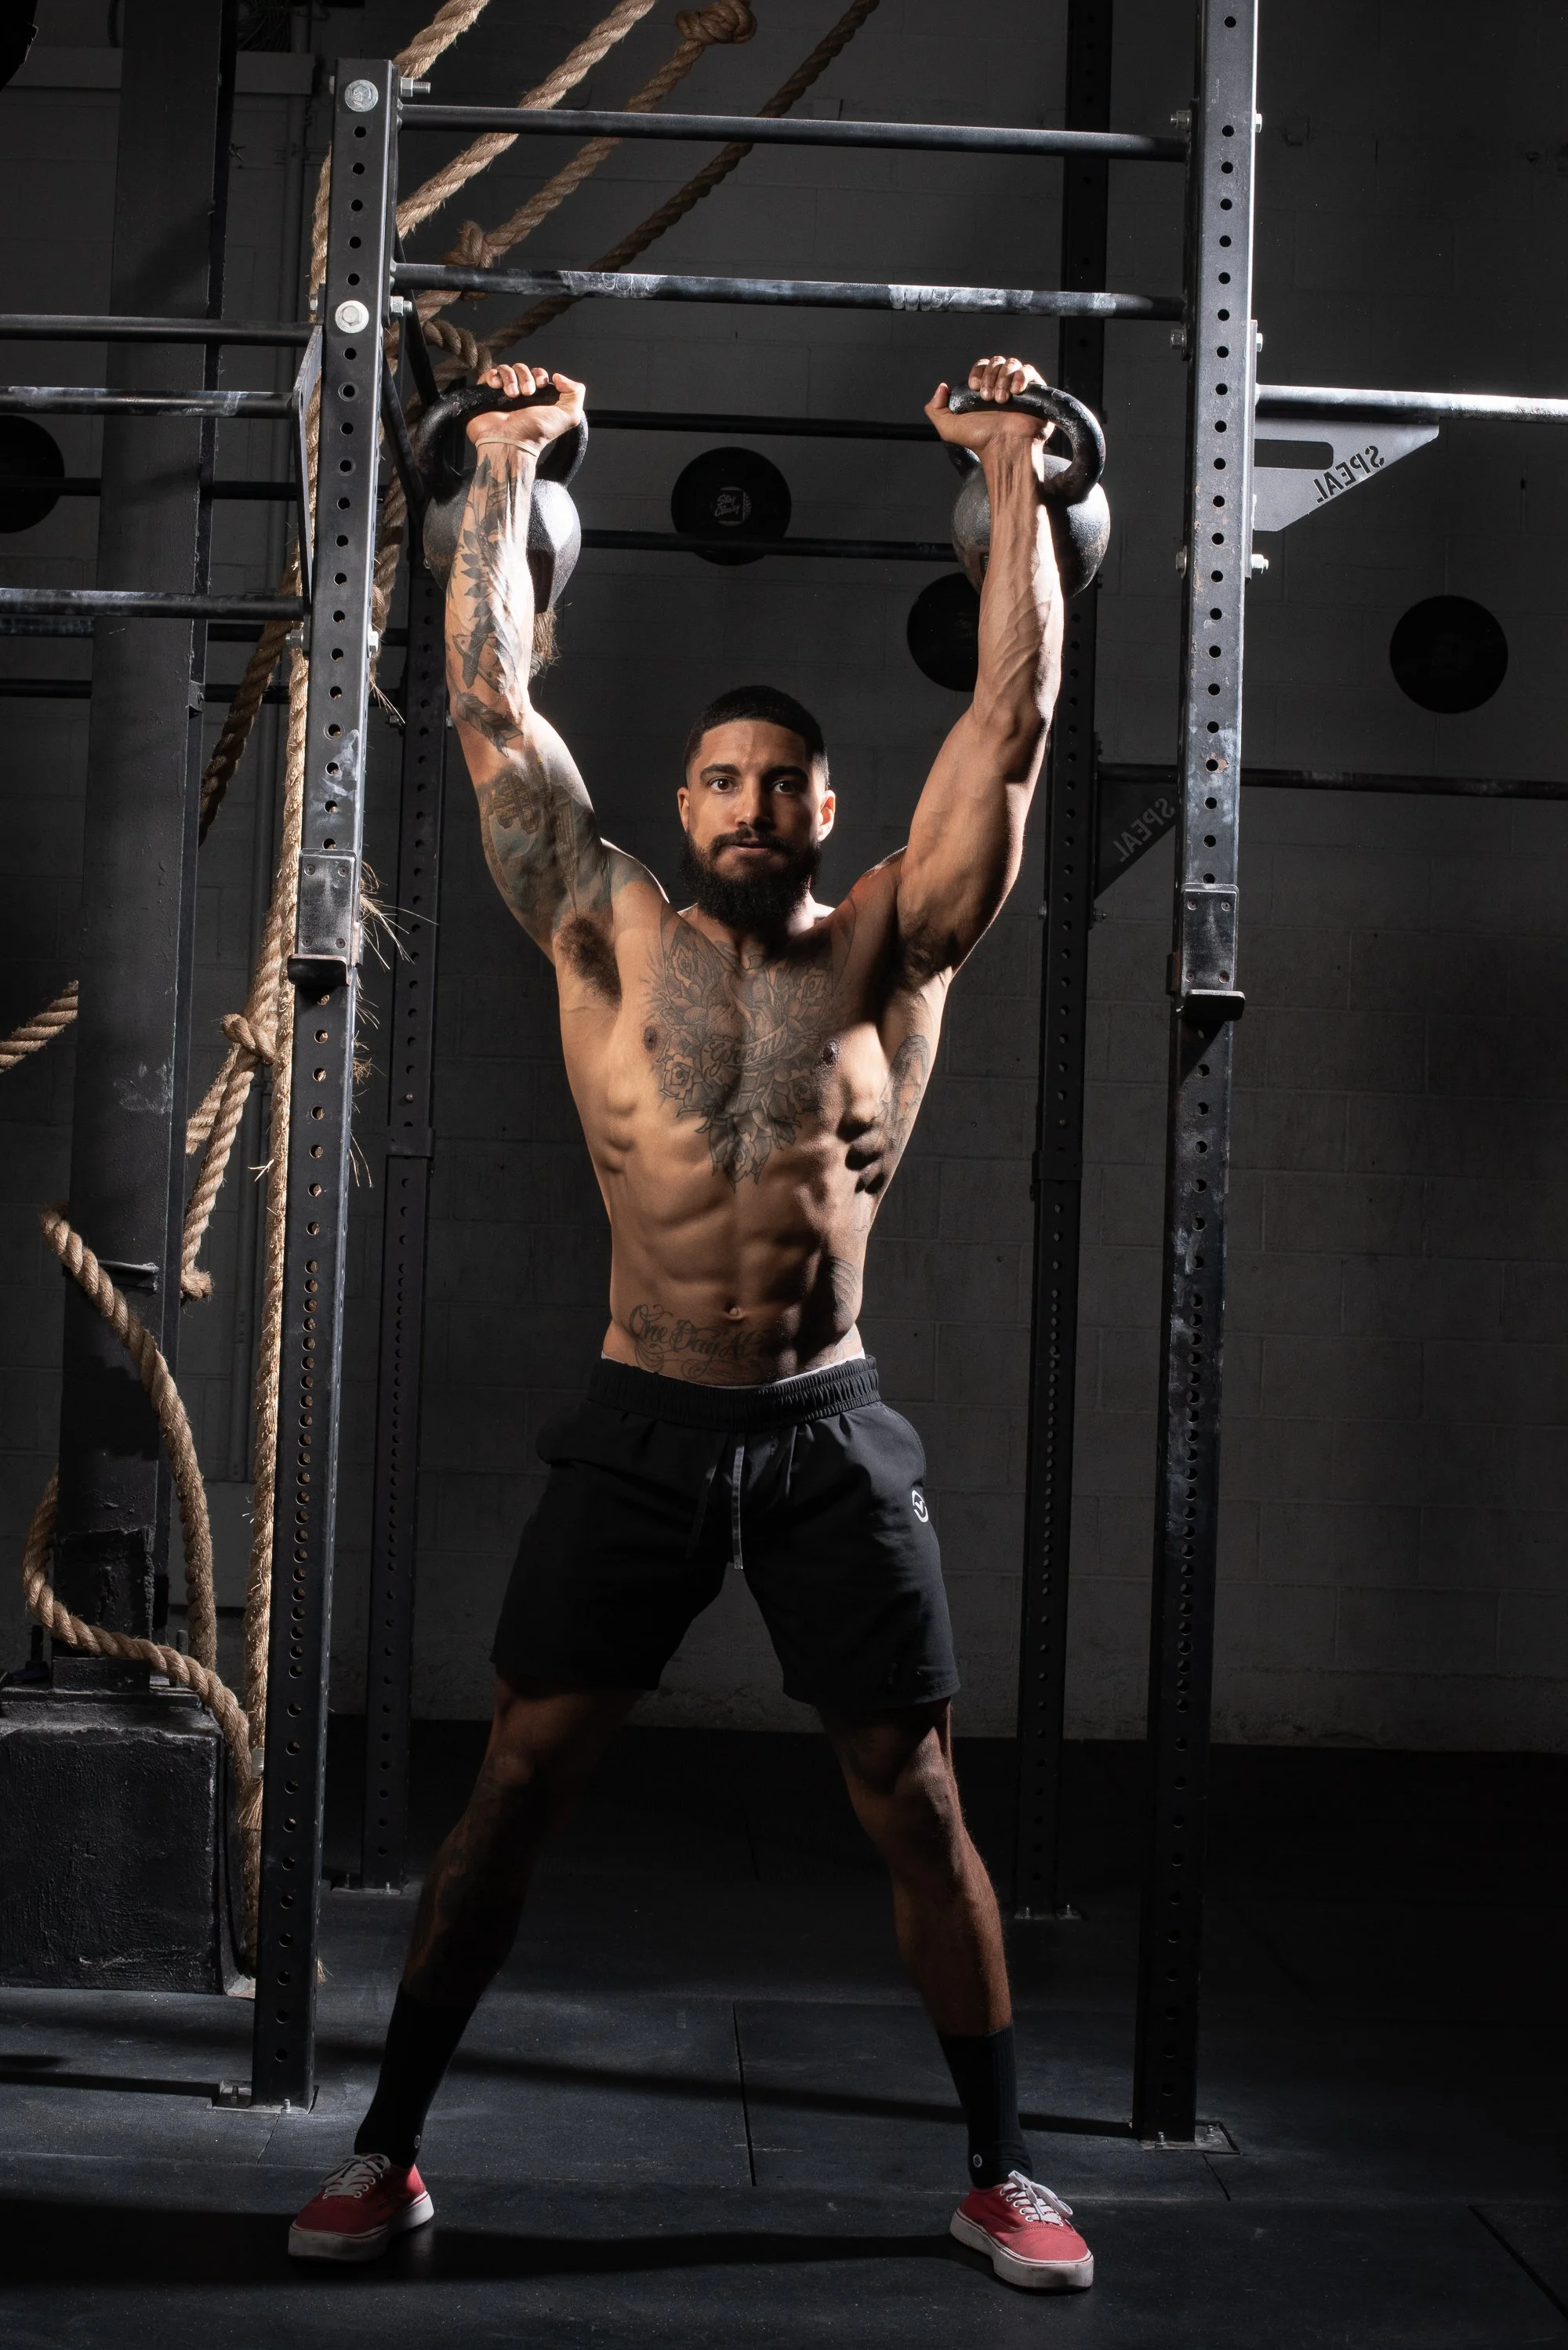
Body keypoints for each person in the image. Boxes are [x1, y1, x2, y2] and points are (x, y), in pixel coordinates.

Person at [289, 353, 1091, 2294]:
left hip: (823, 1426)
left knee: (915, 1796)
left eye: (780, 783)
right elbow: (485, 699)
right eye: (716, 780)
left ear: (828, 802)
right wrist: (498, 467)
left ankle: (999, 2169)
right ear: (679, 798)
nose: (748, 806)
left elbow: (1013, 714)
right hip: (641, 1424)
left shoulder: (896, 943)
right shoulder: (606, 927)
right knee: (516, 1786)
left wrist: (1009, 461)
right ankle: (388, 2147)